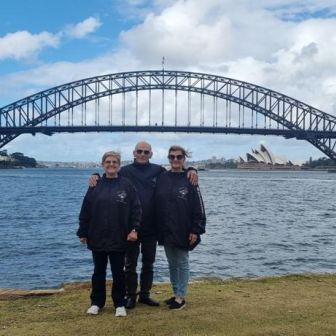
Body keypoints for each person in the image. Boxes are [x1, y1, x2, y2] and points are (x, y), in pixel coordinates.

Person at [89, 141, 198, 309]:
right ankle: (131, 295)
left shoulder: (159, 171)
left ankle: (145, 294)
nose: (142, 154)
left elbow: (176, 173)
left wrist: (192, 169)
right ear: (134, 153)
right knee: (130, 264)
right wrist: (95, 175)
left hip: (152, 226)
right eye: (139, 151)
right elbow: (109, 177)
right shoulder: (124, 171)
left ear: (151, 154)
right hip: (130, 227)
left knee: (149, 262)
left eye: (146, 152)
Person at [77, 151, 142, 317]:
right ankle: (96, 303)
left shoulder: (127, 185)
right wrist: (82, 232)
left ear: (119, 165)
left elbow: (136, 209)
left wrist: (134, 229)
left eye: (114, 162)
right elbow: (86, 209)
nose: (111, 165)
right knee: (98, 271)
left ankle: (119, 303)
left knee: (118, 272)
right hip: (97, 236)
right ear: (102, 164)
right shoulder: (95, 185)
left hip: (119, 236)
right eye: (108, 162)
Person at [155, 145, 206, 310]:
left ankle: (181, 297)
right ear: (168, 159)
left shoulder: (190, 178)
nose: (175, 160)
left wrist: (196, 229)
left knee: (182, 261)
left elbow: (198, 207)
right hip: (166, 227)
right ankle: (176, 292)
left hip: (184, 228)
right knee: (171, 262)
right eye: (172, 157)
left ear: (184, 159)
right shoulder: (162, 177)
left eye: (179, 157)